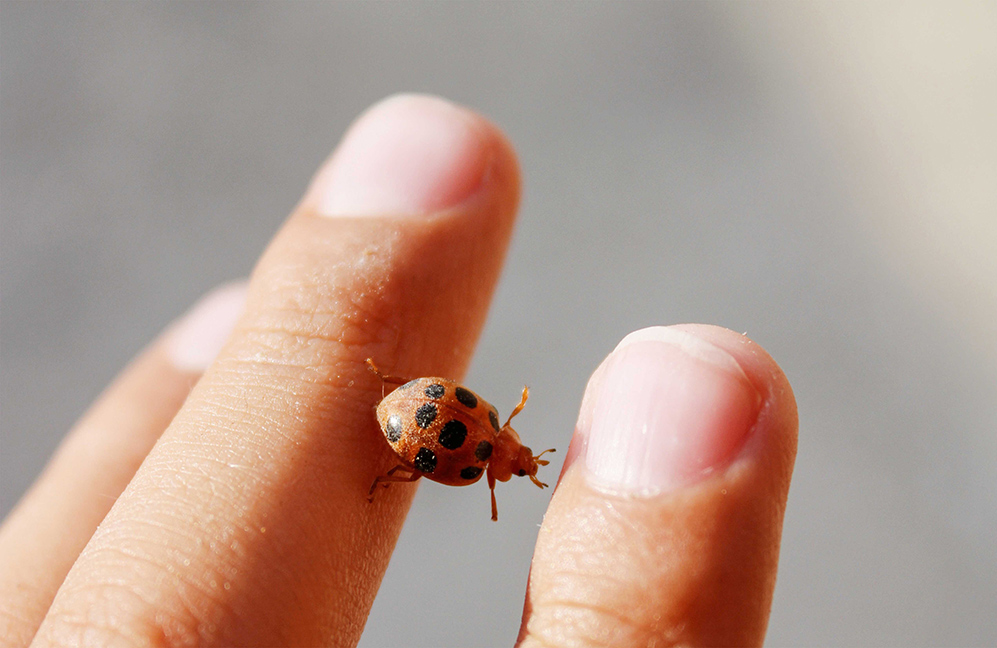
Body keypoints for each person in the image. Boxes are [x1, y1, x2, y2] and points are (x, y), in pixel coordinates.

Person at [0, 94, 797, 647]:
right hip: (401, 411)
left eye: (520, 465)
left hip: (403, 408)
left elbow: (441, 439)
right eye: (519, 460)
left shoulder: (481, 446)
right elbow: (437, 442)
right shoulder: (476, 456)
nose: (523, 463)